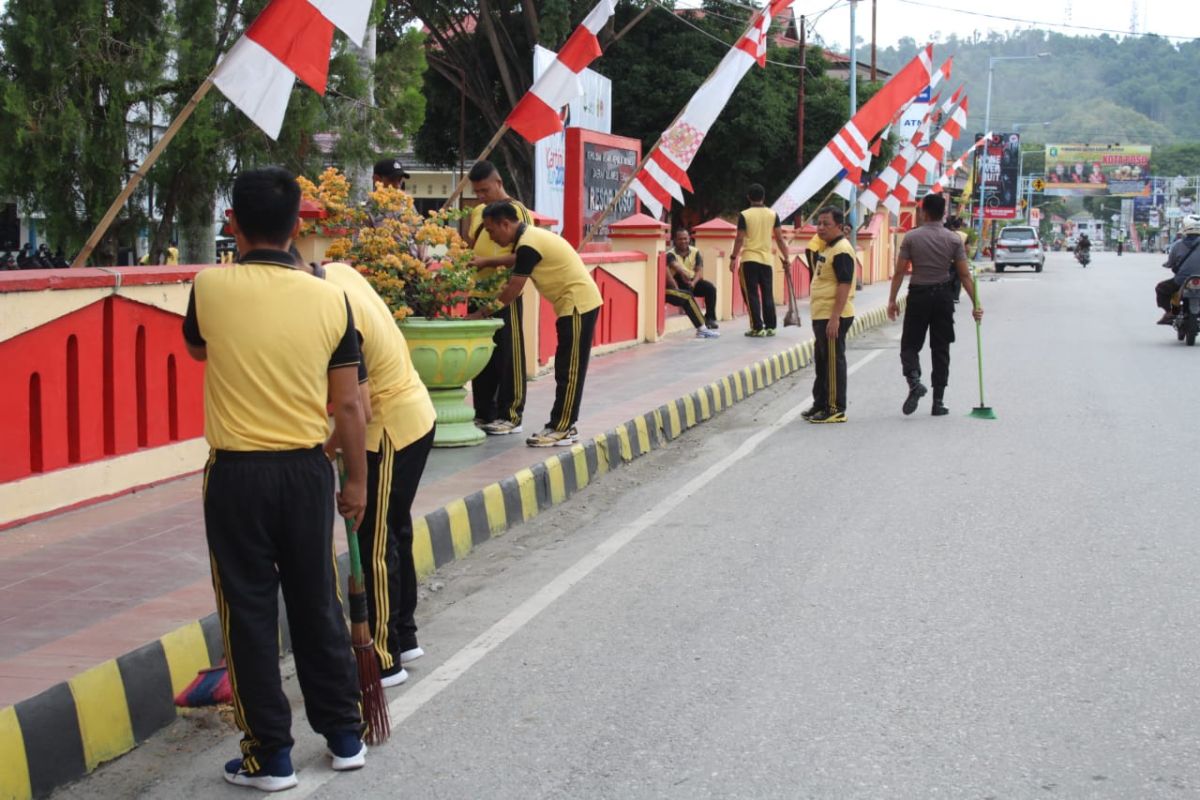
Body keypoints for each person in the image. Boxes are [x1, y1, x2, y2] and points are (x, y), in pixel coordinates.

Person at [182, 167, 368, 790]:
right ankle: (345, 736)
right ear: (298, 227)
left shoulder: (209, 286)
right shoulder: (331, 298)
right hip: (308, 469)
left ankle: (270, 756)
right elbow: (349, 407)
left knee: (249, 612)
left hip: (236, 474)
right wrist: (358, 484)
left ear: (232, 223)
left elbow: (200, 350)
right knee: (317, 600)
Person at [303, 258, 437, 689]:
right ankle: (405, 635)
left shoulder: (337, 313)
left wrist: (327, 451)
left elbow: (357, 407)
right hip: (416, 413)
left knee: (374, 543)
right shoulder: (336, 270)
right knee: (394, 529)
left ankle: (382, 657)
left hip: (389, 428)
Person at [475, 202, 603, 447]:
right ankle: (561, 424)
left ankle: (563, 428)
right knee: (565, 368)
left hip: (578, 304)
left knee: (570, 370)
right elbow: (517, 259)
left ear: (505, 223)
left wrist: (482, 314)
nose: (491, 236)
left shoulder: (529, 243)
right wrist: (487, 262)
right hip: (572, 305)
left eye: (492, 230)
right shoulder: (529, 240)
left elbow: (513, 289)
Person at [887, 193, 984, 417]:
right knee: (941, 349)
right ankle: (938, 402)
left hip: (918, 295)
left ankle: (914, 381)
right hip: (943, 297)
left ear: (924, 212)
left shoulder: (911, 238)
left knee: (910, 344)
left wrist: (892, 300)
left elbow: (900, 272)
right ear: (943, 213)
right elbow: (964, 275)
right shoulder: (953, 240)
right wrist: (976, 304)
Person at [465, 161, 535, 435]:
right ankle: (484, 413)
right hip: (477, 292)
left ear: (498, 183)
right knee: (482, 357)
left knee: (509, 355)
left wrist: (489, 261)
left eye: (484, 190)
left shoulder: (516, 211)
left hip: (505, 293)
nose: (481, 196)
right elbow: (470, 246)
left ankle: (511, 414)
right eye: (477, 192)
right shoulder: (478, 213)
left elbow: (526, 253)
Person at [803, 206, 857, 423]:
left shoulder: (842, 250)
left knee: (834, 362)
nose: (821, 227)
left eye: (827, 223)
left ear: (840, 227)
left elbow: (844, 284)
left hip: (834, 315)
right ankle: (821, 403)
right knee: (823, 361)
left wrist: (835, 317)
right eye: (819, 223)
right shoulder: (827, 247)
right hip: (822, 313)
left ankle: (835, 408)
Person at [729, 183, 789, 337]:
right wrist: (786, 257)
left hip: (749, 259)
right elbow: (780, 239)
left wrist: (733, 257)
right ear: (763, 197)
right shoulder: (773, 214)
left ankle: (757, 327)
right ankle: (771, 327)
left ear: (748, 197)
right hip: (766, 260)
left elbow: (739, 239)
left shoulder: (745, 215)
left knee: (752, 294)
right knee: (767, 293)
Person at [665, 228, 719, 338]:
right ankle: (702, 327)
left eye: (685, 238)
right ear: (675, 240)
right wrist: (684, 275)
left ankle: (710, 319)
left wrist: (694, 282)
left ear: (689, 239)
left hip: (692, 280)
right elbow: (676, 267)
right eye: (680, 239)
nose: (683, 241)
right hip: (678, 281)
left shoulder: (695, 251)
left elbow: (699, 270)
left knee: (710, 288)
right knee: (687, 293)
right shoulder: (670, 254)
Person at [1156, 214, 1200, 324]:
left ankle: (1170, 312)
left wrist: (1168, 265)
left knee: (1161, 288)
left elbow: (1170, 263)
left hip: (1181, 281)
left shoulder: (1177, 245)